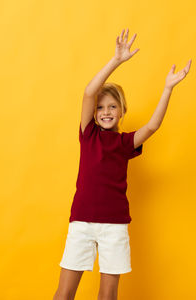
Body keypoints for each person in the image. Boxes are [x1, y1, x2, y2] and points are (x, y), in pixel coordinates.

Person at [53, 28, 191, 300]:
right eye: (101, 108)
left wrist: (167, 88)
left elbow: (153, 125)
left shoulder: (126, 143)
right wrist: (116, 60)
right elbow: (89, 91)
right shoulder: (88, 133)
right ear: (94, 113)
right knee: (64, 293)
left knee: (108, 294)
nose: (106, 112)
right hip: (81, 222)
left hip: (114, 226)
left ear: (122, 111)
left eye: (112, 107)